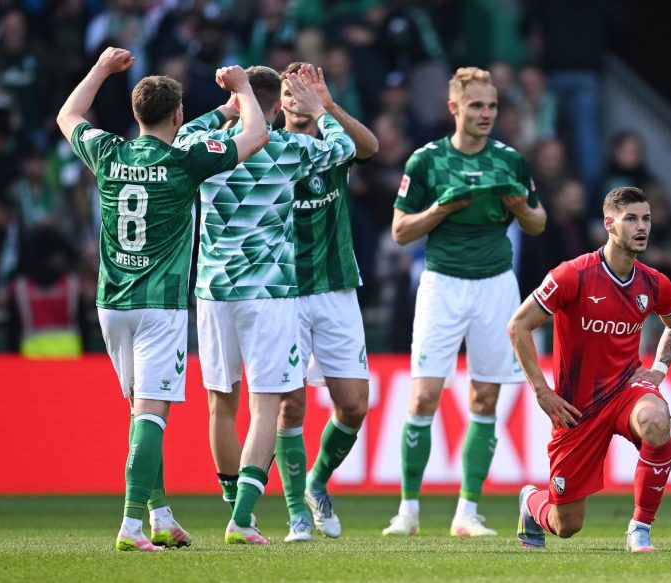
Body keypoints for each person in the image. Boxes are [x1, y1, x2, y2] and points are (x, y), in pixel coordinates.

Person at [56, 47, 268, 552]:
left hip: (112, 303)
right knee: (152, 415)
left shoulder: (108, 152)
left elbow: (68, 114)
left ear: (136, 115)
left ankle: (160, 515)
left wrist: (101, 69)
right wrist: (243, 89)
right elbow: (257, 135)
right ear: (177, 116)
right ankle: (130, 527)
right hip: (160, 306)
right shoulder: (185, 161)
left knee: (138, 414)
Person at [174, 65, 356, 545]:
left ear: (240, 101)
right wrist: (321, 111)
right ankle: (242, 519)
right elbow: (344, 148)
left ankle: (234, 505)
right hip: (269, 294)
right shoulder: (288, 148)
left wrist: (226, 108)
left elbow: (181, 132)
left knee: (220, 404)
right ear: (277, 105)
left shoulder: (204, 146)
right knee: (266, 405)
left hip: (213, 292)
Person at [384, 66, 547, 537]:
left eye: (492, 105)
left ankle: (467, 512)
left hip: (496, 286)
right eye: (476, 105)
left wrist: (521, 208)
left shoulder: (510, 160)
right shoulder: (426, 161)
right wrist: (443, 208)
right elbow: (399, 231)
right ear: (454, 108)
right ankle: (408, 511)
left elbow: (538, 222)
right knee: (424, 395)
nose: (486, 113)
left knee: (485, 397)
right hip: (442, 284)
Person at [508, 186, 671, 553]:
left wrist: (659, 369)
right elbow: (518, 326)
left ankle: (640, 529)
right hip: (577, 409)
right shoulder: (573, 275)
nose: (642, 227)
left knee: (656, 420)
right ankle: (531, 501)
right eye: (631, 219)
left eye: (646, 219)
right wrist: (542, 391)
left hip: (626, 390)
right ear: (609, 224)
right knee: (566, 525)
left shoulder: (654, 282)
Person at [277, 62, 379, 542]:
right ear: (278, 103)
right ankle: (296, 511)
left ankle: (316, 482)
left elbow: (371, 148)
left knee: (354, 405)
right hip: (284, 293)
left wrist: (329, 106)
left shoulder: (335, 146)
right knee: (290, 405)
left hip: (337, 287)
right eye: (289, 93)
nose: (298, 100)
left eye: (306, 92)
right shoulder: (267, 147)